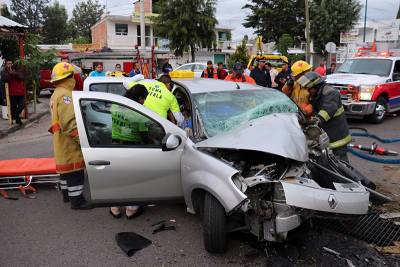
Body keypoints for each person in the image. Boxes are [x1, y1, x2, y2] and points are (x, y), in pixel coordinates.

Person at [49, 62, 91, 209]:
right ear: (69, 77)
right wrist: (82, 140)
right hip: (69, 141)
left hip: (60, 139)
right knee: (75, 171)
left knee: (65, 170)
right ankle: (77, 201)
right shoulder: (66, 96)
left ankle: (67, 195)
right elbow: (69, 123)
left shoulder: (56, 93)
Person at [109, 84, 148, 219]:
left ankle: (114, 209)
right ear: (140, 98)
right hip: (132, 149)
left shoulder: (115, 105)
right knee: (133, 180)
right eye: (144, 99)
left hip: (114, 146)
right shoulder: (139, 113)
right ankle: (131, 210)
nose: (144, 102)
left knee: (117, 179)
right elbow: (145, 135)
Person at [298, 71, 351, 162]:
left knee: (341, 166)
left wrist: (317, 120)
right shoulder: (316, 94)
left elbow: (328, 110)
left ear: (316, 86)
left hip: (337, 138)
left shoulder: (330, 93)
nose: (307, 91)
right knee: (328, 164)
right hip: (327, 135)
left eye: (309, 89)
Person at [0, 60, 26, 124]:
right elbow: (5, 79)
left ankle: (15, 115)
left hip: (20, 92)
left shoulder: (17, 70)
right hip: (12, 93)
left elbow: (22, 77)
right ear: (5, 64)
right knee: (13, 107)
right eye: (8, 63)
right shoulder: (4, 71)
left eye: (11, 63)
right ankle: (18, 120)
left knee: (22, 104)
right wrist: (10, 73)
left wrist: (15, 74)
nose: (10, 65)